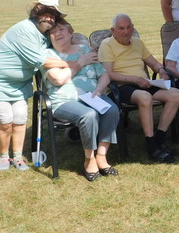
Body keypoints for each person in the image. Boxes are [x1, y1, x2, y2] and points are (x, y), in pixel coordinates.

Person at [0, 0, 91, 172]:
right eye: (45, 13)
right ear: (36, 13)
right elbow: (41, 61)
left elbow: (65, 39)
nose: (49, 19)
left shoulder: (44, 34)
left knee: (20, 119)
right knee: (5, 121)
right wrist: (73, 63)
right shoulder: (25, 30)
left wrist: (76, 43)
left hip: (20, 84)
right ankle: (4, 156)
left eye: (53, 16)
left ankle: (18, 157)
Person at [98, 13, 179, 163]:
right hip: (120, 87)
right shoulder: (107, 45)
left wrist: (161, 71)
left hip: (142, 84)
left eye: (129, 27)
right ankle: (151, 146)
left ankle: (160, 138)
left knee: (175, 94)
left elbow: (153, 63)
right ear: (113, 30)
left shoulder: (137, 43)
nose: (126, 31)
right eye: (121, 28)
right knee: (145, 97)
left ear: (133, 27)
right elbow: (108, 74)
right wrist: (134, 79)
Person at [43, 21, 121, 181]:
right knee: (89, 115)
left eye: (61, 29)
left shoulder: (85, 50)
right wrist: (80, 63)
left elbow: (104, 75)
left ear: (70, 32)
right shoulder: (48, 55)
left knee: (112, 110)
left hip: (92, 96)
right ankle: (89, 159)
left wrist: (99, 89)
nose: (57, 33)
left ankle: (101, 156)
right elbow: (58, 79)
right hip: (64, 101)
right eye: (53, 32)